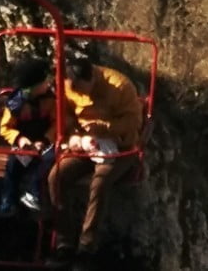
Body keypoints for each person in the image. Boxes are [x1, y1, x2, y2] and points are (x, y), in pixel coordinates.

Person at [44, 47, 145, 264]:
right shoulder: (67, 88)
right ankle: (64, 241)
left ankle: (87, 246)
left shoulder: (119, 86)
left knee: (100, 182)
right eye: (76, 91)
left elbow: (133, 123)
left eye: (83, 90)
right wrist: (74, 138)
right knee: (56, 177)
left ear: (90, 79)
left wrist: (104, 128)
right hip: (84, 144)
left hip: (119, 146)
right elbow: (64, 118)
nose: (81, 96)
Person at [0, 57, 57, 219]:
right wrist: (19, 139)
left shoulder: (50, 101)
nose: (48, 84)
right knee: (13, 166)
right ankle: (8, 201)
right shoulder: (16, 105)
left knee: (49, 159)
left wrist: (46, 139)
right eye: (44, 81)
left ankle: (33, 193)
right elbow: (5, 128)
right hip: (25, 146)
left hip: (45, 144)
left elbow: (58, 123)